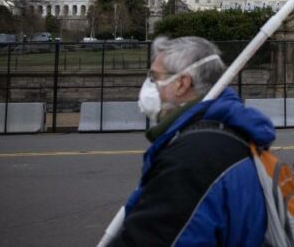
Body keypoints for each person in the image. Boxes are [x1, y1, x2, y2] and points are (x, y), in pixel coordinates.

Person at [108, 36, 276, 246]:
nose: (148, 85)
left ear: (182, 83)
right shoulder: (225, 133)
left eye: (154, 77)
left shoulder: (192, 157)